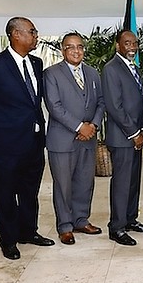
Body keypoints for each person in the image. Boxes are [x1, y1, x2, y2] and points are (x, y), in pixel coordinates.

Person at [0, 16, 54, 261]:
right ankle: (8, 241)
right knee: (5, 194)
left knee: (30, 191)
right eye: (32, 31)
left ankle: (28, 232)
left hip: (34, 142)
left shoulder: (37, 64)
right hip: (4, 145)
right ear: (16, 35)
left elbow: (33, 103)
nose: (36, 36)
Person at [43, 32, 105, 245]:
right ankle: (65, 226)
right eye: (71, 47)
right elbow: (54, 106)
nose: (76, 50)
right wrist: (80, 127)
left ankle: (81, 219)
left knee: (85, 182)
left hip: (87, 140)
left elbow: (101, 103)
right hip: (62, 140)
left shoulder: (93, 73)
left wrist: (93, 125)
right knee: (63, 185)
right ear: (63, 50)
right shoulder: (51, 74)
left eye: (79, 46)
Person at [102, 29, 143, 246]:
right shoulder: (111, 69)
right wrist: (133, 133)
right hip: (123, 137)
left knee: (133, 181)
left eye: (134, 43)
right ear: (118, 45)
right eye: (127, 43)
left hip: (136, 136)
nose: (132, 46)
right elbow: (114, 106)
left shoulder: (135, 68)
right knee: (122, 183)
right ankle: (117, 227)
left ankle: (131, 219)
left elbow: (140, 103)